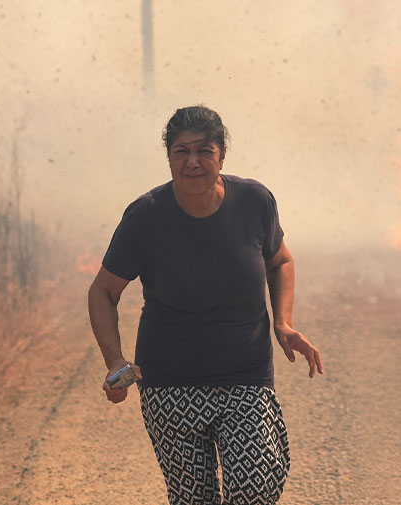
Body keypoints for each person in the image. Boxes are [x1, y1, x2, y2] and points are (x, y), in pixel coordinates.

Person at [87, 105, 322, 505]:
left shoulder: (254, 200)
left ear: (222, 155)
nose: (192, 162)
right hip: (169, 383)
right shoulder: (146, 215)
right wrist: (115, 361)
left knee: (255, 486)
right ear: (169, 158)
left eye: (204, 151)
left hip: (244, 375)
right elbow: (103, 292)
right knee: (192, 498)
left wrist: (283, 323)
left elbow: (280, 260)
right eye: (181, 152)